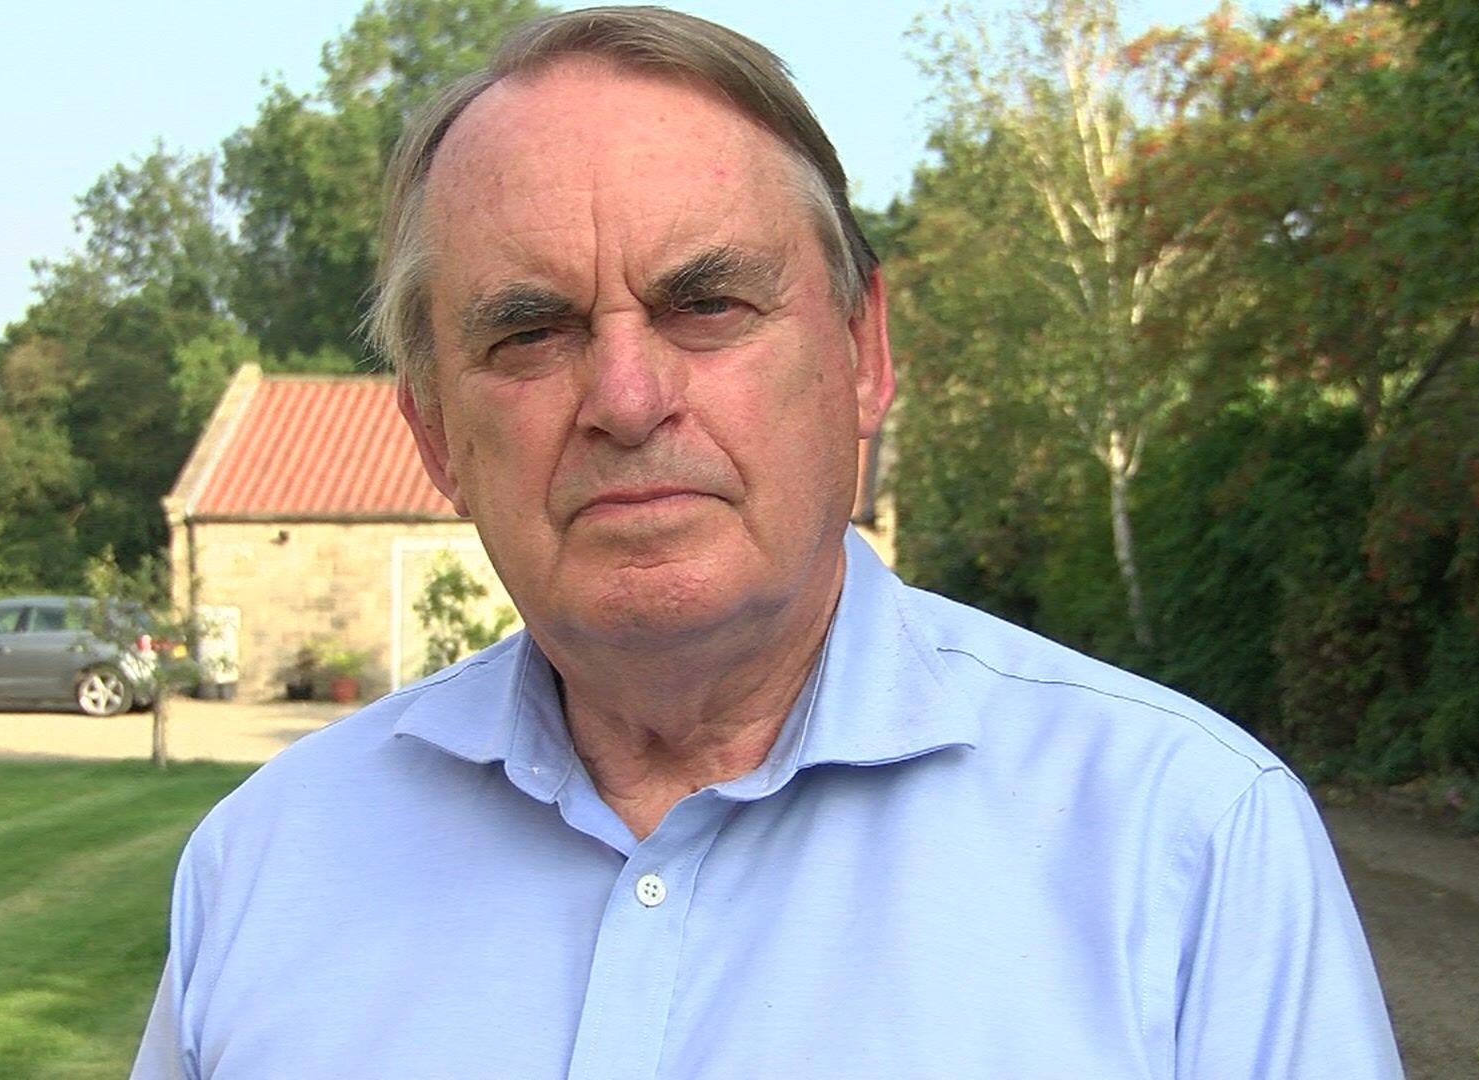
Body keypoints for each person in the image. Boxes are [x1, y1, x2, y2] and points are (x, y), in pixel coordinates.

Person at [131, 8, 1404, 1077]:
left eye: (709, 305)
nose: (626, 399)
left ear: (864, 353)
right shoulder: (265, 868)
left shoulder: (1184, 845)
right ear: (434, 433)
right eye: (530, 333)